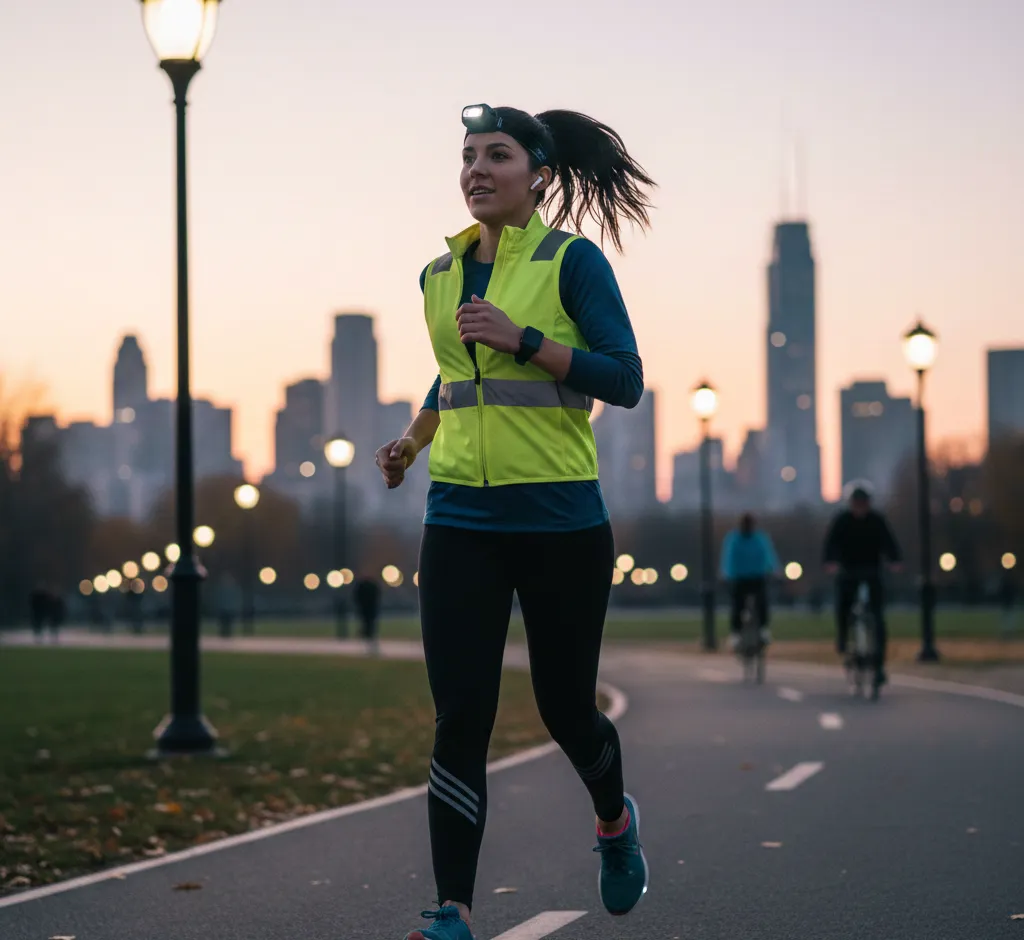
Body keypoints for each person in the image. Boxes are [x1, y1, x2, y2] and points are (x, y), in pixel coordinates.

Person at [375, 103, 654, 940]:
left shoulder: (573, 262)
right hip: (460, 519)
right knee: (461, 714)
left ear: (537, 175)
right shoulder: (437, 275)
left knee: (566, 707)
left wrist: (525, 338)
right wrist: (412, 441)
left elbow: (625, 377)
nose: (476, 170)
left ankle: (613, 819)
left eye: (496, 155)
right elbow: (453, 379)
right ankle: (453, 911)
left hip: (561, 520)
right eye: (466, 157)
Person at [823, 482, 902, 687]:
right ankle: (842, 638)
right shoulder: (841, 521)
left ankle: (879, 665)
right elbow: (830, 543)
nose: (860, 507)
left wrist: (895, 560)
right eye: (856, 503)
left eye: (863, 503)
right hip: (848, 571)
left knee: (877, 616)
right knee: (843, 604)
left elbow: (889, 542)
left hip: (872, 571)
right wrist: (830, 561)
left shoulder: (877, 520)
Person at [720, 513, 780, 649]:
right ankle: (736, 633)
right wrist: (726, 573)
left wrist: (774, 569)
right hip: (739, 577)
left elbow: (768, 555)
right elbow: (728, 557)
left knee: (762, 602)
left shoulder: (760, 538)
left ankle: (763, 629)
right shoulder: (734, 539)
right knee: (737, 605)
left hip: (757, 576)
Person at [353, 573, 382, 655]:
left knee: (366, 624)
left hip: (365, 609)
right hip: (370, 609)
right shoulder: (372, 586)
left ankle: (367, 637)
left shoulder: (361, 586)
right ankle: (369, 638)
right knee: (370, 624)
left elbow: (356, 596)